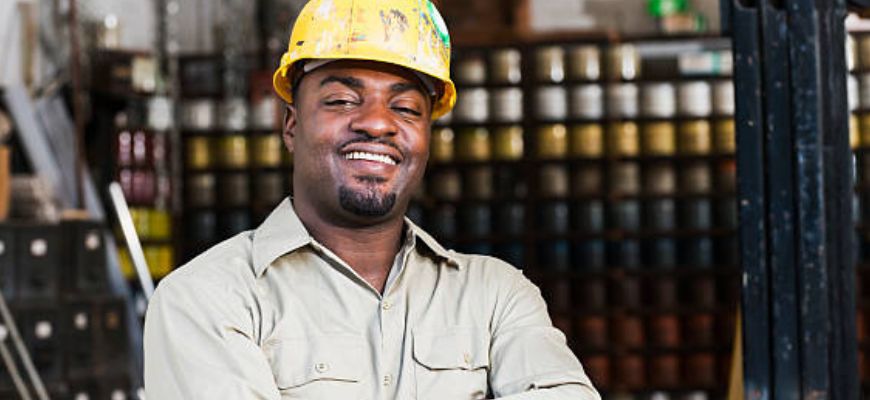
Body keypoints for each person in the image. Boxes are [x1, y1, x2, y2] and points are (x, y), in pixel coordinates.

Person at [144, 0, 600, 398]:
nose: (378, 123)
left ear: (425, 138)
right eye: (343, 100)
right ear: (291, 125)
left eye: (404, 108)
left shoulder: (496, 297)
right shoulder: (208, 299)